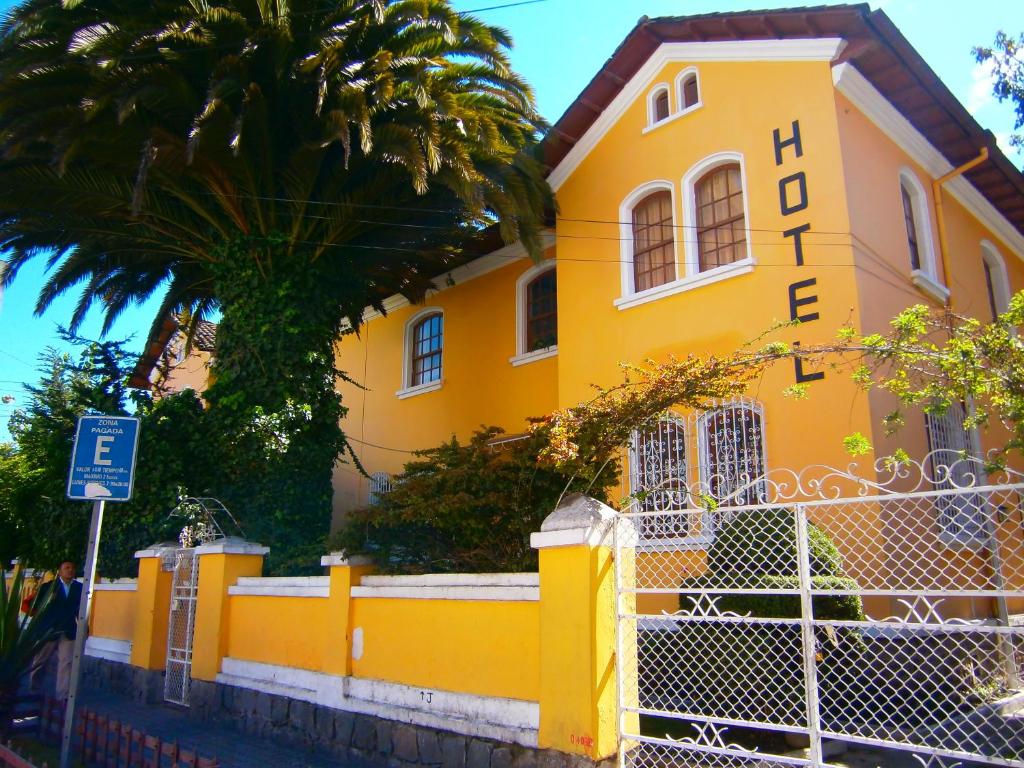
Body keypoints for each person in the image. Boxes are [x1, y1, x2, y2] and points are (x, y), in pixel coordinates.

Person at [29, 560, 83, 701]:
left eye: (72, 568)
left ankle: (63, 696)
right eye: (67, 568)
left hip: (68, 630)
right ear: (59, 571)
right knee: (41, 661)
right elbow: (36, 607)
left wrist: (84, 628)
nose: (70, 570)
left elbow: (81, 610)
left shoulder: (79, 588)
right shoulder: (48, 587)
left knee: (67, 663)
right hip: (49, 630)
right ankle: (34, 689)